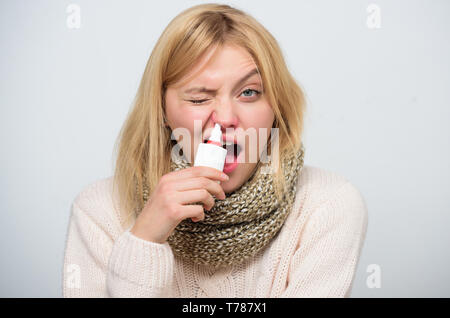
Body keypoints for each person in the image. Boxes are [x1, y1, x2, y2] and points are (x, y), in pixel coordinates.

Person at [63, 3, 368, 298]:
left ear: (278, 106)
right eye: (198, 98)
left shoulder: (326, 205)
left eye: (249, 92)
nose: (225, 118)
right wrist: (144, 240)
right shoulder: (99, 212)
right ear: (162, 112)